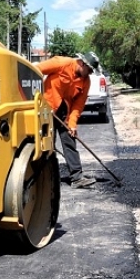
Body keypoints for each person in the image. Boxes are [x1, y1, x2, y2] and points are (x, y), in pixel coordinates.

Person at [38, 52, 100, 188]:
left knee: (70, 142)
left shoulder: (85, 82)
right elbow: (35, 71)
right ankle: (42, 179)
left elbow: (78, 105)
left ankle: (77, 178)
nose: (89, 73)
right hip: (46, 111)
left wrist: (72, 124)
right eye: (89, 70)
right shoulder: (62, 63)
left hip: (64, 113)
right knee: (47, 145)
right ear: (82, 63)